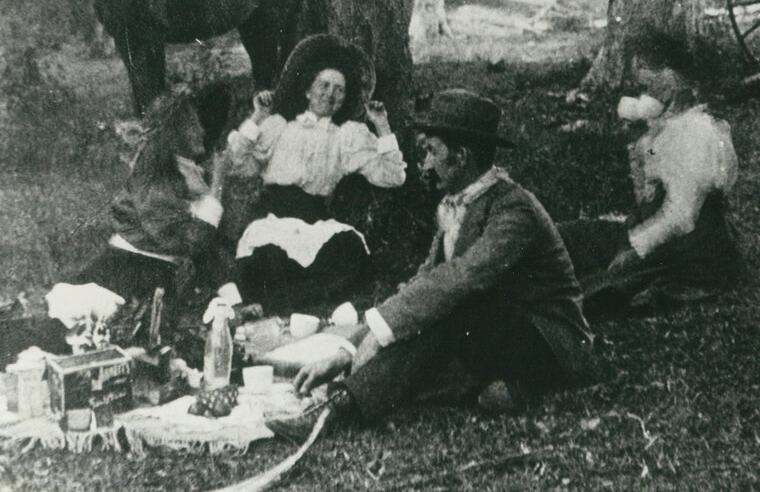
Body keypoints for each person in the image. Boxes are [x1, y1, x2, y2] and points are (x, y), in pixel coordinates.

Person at [271, 89, 593, 434]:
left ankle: (342, 407)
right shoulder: (458, 203)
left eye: (430, 151)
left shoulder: (514, 209)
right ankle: (493, 387)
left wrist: (379, 335)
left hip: (547, 340)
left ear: (462, 156)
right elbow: (425, 282)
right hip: (495, 328)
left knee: (452, 308)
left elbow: (460, 279)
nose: (423, 162)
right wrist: (347, 348)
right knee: (437, 313)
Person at [0, 88, 231, 364]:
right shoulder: (154, 173)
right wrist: (219, 182)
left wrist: (232, 297)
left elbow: (207, 245)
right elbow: (190, 242)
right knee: (71, 337)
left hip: (150, 274)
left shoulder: (184, 172)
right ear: (174, 134)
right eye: (193, 125)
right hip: (126, 273)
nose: (202, 131)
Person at [226, 34, 406, 314]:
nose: (330, 94)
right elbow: (236, 162)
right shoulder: (279, 127)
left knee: (349, 250)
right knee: (268, 255)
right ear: (308, 90)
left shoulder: (346, 136)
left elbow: (394, 176)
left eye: (339, 90)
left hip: (316, 223)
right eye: (324, 85)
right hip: (276, 219)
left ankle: (282, 303)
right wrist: (258, 116)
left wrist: (381, 125)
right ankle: (277, 302)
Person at [562, 70, 745, 316]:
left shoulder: (694, 134)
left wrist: (636, 249)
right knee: (569, 235)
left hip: (689, 251)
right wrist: (642, 156)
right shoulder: (668, 134)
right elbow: (650, 198)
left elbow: (681, 216)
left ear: (672, 106)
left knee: (594, 290)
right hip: (665, 237)